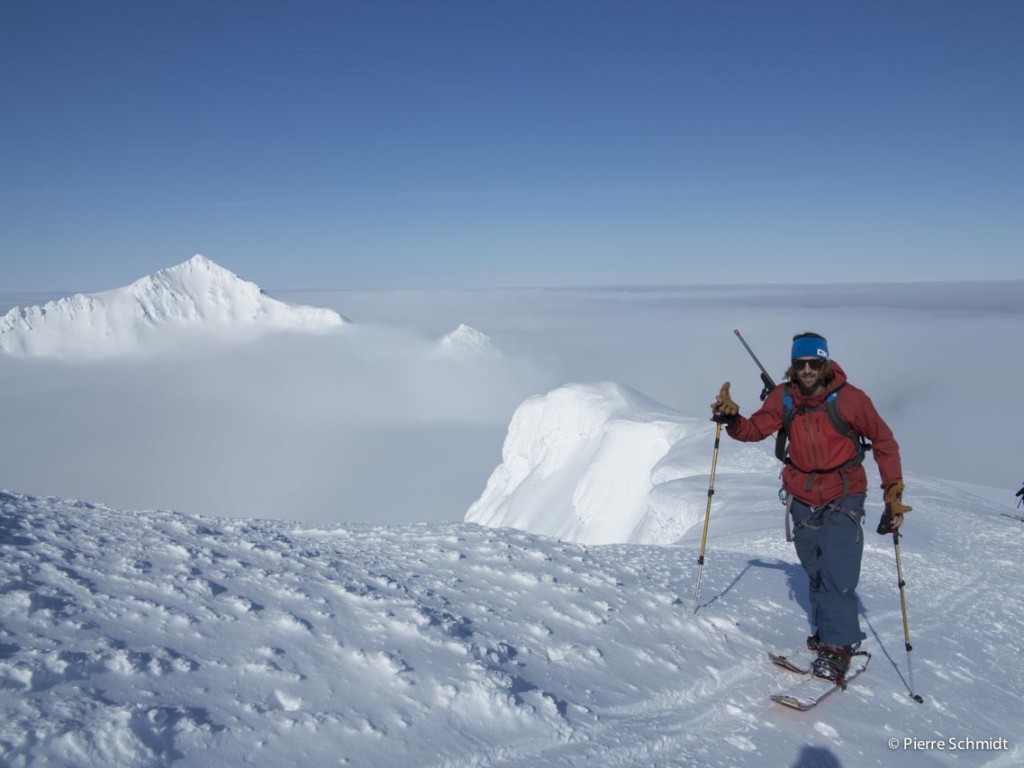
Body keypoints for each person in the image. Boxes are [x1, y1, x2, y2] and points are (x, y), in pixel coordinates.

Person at [710, 331, 911, 683]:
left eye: (814, 363)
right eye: (800, 363)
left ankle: (838, 644)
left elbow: (883, 441)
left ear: (825, 364)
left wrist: (892, 490)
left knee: (837, 571)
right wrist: (732, 421)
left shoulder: (851, 400)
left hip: (844, 493)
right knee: (816, 569)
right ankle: (827, 632)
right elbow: (756, 429)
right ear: (793, 365)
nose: (807, 370)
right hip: (801, 496)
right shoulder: (784, 397)